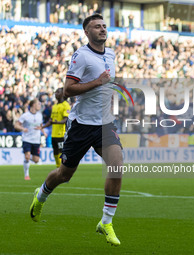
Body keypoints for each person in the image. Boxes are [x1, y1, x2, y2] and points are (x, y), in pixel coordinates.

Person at [29, 14, 123, 246]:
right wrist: (98, 83)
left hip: (104, 123)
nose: (102, 29)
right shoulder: (81, 56)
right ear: (86, 32)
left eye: (104, 26)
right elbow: (68, 89)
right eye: (96, 27)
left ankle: (106, 222)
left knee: (117, 166)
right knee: (64, 174)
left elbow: (108, 82)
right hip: (81, 125)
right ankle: (40, 196)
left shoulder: (110, 54)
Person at [14, 99, 44, 180]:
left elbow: (41, 125)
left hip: (36, 140)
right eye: (38, 104)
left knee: (36, 160)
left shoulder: (40, 115)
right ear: (33, 105)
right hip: (27, 139)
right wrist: (22, 129)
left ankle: (28, 157)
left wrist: (43, 131)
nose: (39, 105)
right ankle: (26, 175)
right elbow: (16, 125)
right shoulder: (25, 115)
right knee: (27, 156)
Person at [42, 88, 71, 168]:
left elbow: (66, 119)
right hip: (54, 133)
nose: (56, 93)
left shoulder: (66, 105)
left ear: (63, 93)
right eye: (55, 92)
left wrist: (56, 122)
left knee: (62, 152)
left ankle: (63, 169)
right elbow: (50, 121)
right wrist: (42, 127)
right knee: (55, 152)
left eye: (58, 92)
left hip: (61, 133)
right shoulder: (54, 106)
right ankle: (58, 168)